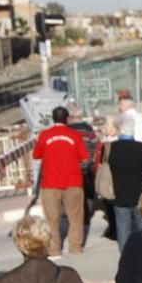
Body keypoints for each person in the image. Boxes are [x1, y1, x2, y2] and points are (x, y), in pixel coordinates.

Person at [32, 106, 89, 258]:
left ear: (53, 118)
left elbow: (36, 154)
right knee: (75, 216)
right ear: (67, 118)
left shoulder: (45, 135)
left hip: (51, 182)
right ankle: (76, 247)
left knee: (52, 218)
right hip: (73, 181)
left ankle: (54, 249)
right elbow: (83, 156)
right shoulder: (74, 135)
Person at [108, 115, 142, 252]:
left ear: (119, 130)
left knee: (123, 228)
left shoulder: (112, 148)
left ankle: (126, 255)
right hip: (140, 191)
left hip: (120, 191)